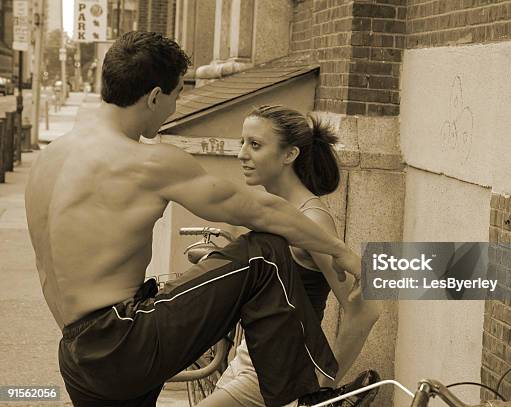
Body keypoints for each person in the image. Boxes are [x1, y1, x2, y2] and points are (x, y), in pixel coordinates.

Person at [24, 31, 362, 407]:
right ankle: (311, 399)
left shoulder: (47, 161)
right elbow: (265, 212)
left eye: (254, 145)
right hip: (123, 340)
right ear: (154, 96)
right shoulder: (147, 161)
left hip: (77, 353)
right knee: (264, 253)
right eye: (174, 98)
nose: (173, 109)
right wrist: (343, 253)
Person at [197, 105, 382, 407]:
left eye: (255, 145)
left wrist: (324, 385)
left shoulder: (313, 219)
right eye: (242, 142)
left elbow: (366, 309)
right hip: (249, 358)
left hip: (278, 369)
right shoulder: (273, 209)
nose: (242, 154)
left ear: (289, 155)